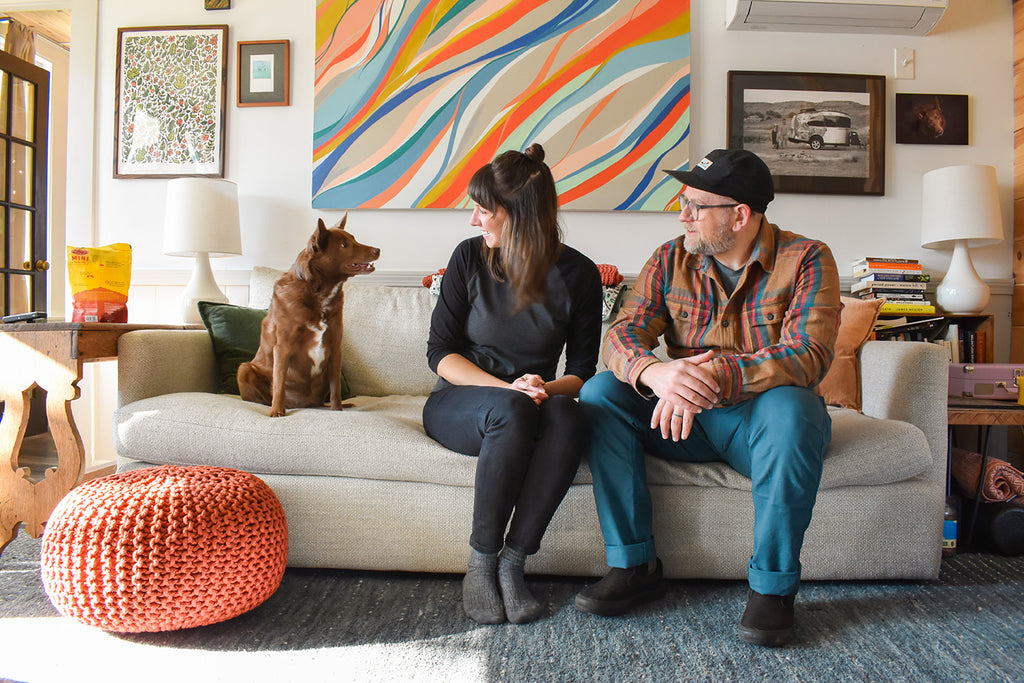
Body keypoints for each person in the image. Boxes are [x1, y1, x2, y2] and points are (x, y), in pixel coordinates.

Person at [573, 148, 841, 647]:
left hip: (758, 423)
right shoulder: (670, 256)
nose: (683, 215)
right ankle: (634, 565)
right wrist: (655, 373)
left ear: (740, 215)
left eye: (696, 206)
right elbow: (621, 334)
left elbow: (809, 353)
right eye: (684, 203)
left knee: (796, 405)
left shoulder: (807, 258)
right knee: (600, 392)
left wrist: (710, 377)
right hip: (679, 423)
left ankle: (773, 589)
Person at [424, 143, 603, 625]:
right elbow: (440, 354)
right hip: (461, 403)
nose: (473, 221)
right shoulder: (469, 259)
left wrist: (542, 387)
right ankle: (480, 563)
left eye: (483, 210)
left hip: (536, 401)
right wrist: (510, 391)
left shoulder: (580, 274)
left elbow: (582, 372)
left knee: (569, 414)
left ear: (518, 215)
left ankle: (513, 562)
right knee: (513, 410)